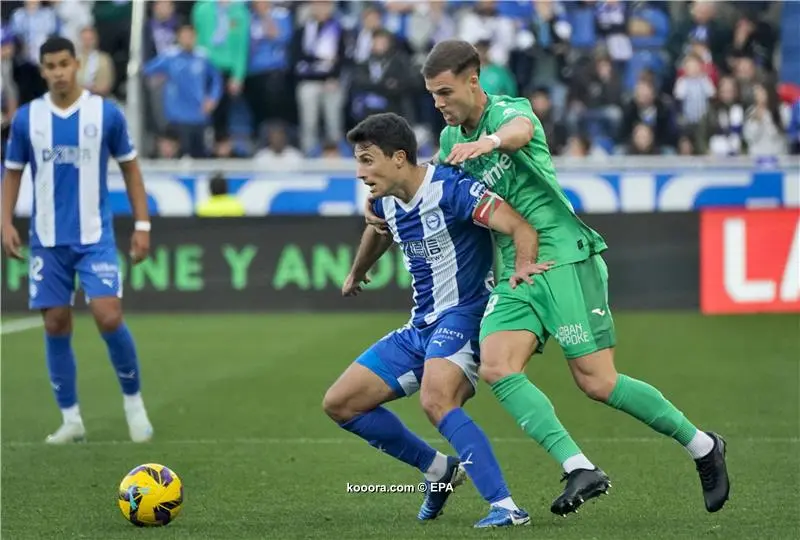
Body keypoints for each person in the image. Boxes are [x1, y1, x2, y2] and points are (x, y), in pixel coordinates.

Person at [367, 39, 730, 516]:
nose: (438, 103)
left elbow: (519, 131)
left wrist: (491, 142)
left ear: (472, 81)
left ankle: (703, 447)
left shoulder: (508, 113)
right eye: (432, 95)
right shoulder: (453, 140)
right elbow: (432, 183)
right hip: (517, 268)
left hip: (562, 255)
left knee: (597, 382)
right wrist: (389, 193)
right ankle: (579, 466)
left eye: (445, 92)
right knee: (497, 367)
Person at [323, 112, 553, 528]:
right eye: (358, 162)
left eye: (367, 160)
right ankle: (437, 470)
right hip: (421, 327)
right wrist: (357, 271)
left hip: (466, 315)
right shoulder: (386, 199)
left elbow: (520, 227)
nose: (360, 173)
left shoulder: (452, 189)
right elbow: (379, 229)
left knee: (436, 399)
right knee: (341, 403)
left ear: (398, 158)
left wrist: (521, 270)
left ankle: (505, 507)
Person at [1, 37, 154, 445]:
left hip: (94, 237)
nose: (58, 72)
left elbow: (131, 169)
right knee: (55, 322)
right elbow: (13, 172)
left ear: (77, 64)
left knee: (108, 315)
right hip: (47, 240)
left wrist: (142, 225)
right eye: (50, 66)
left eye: (64, 64)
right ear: (42, 70)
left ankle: (133, 404)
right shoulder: (27, 119)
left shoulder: (105, 113)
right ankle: (71, 419)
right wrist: (5, 221)